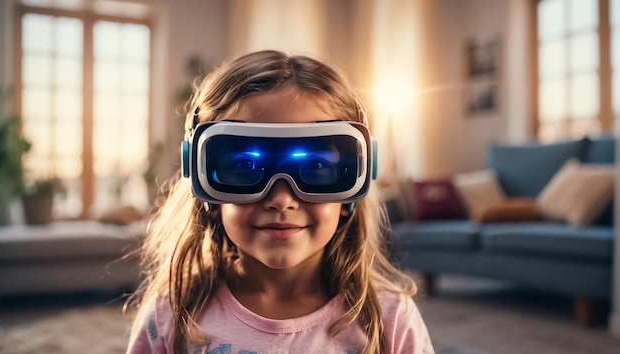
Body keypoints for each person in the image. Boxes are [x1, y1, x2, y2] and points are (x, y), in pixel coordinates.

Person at [126, 50, 434, 354]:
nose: (282, 199)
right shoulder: (172, 313)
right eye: (246, 166)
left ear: (352, 184)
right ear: (203, 179)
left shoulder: (390, 319)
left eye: (315, 167)